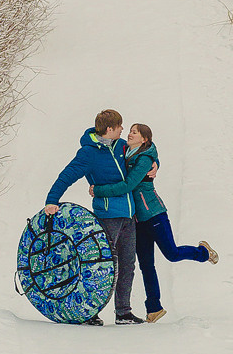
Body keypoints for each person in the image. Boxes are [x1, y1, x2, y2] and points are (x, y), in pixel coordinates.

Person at [91, 121, 217, 324]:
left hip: (155, 214)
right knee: (146, 265)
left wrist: (98, 190)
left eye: (134, 132)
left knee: (172, 254)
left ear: (144, 139)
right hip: (137, 220)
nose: (130, 134)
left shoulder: (144, 158)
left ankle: (203, 252)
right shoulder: (126, 150)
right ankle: (154, 309)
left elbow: (129, 184)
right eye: (130, 131)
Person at [44, 108, 145, 326]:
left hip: (129, 214)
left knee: (128, 264)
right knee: (100, 266)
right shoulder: (88, 153)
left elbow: (144, 156)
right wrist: (51, 200)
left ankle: (123, 312)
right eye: (119, 126)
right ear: (110, 129)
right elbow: (67, 175)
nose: (123, 130)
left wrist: (155, 165)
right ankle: (89, 312)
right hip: (108, 215)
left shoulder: (121, 146)